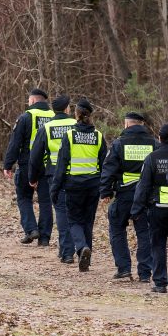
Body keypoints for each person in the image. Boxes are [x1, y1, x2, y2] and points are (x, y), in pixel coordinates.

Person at [50, 99, 106, 272]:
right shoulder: (98, 135)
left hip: (73, 184)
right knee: (87, 221)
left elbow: (61, 164)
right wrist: (105, 187)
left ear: (76, 114)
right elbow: (105, 163)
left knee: (74, 220)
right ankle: (86, 259)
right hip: (93, 185)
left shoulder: (69, 136)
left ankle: (82, 248)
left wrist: (55, 188)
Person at [101, 111, 155, 282]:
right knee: (144, 232)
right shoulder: (154, 144)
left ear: (127, 124)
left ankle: (124, 268)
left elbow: (109, 169)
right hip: (146, 197)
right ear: (142, 124)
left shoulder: (119, 144)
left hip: (124, 195)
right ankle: (145, 272)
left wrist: (105, 192)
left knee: (117, 229)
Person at [131, 124, 168, 293]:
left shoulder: (152, 158)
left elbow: (143, 186)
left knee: (158, 245)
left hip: (157, 208)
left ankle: (160, 282)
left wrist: (136, 209)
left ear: (159, 138)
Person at [28, 94, 77, 263]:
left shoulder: (47, 128)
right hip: (76, 173)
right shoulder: (77, 126)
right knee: (74, 212)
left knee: (61, 211)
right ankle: (69, 249)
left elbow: (35, 157)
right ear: (67, 108)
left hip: (54, 174)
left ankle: (67, 251)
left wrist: (32, 178)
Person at [3, 88, 54, 245]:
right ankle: (44, 238)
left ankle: (31, 230)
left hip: (27, 164)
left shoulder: (26, 117)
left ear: (32, 101)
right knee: (46, 201)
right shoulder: (55, 118)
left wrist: (8, 164)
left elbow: (15, 143)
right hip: (48, 165)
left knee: (24, 198)